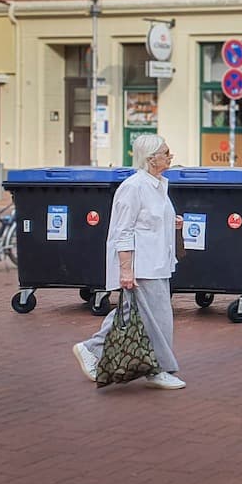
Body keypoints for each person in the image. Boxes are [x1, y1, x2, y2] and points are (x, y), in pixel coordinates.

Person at [73, 135, 186, 390]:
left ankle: (91, 348)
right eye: (166, 152)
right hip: (144, 264)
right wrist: (125, 269)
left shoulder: (157, 185)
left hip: (157, 261)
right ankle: (160, 369)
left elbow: (149, 222)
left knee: (134, 313)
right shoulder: (134, 187)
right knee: (157, 317)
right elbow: (123, 230)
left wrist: (172, 222)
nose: (170, 156)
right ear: (151, 158)